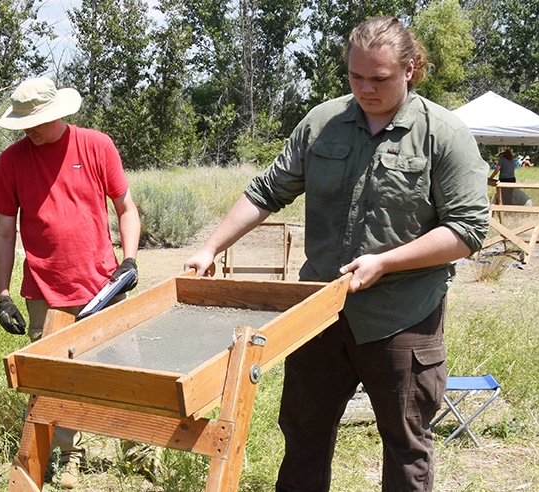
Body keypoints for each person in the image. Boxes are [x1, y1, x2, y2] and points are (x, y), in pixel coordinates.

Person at [183, 16, 489, 492]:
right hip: (320, 312)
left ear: (411, 69)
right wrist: (209, 248)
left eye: (380, 78)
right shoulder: (322, 124)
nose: (366, 88)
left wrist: (386, 262)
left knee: (406, 445)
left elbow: (468, 231)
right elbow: (267, 191)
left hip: (401, 316)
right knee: (303, 434)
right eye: (356, 76)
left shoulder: (443, 134)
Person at [0, 77, 141, 488]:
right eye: (23, 124)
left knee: (131, 369)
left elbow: (126, 207)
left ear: (58, 113)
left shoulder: (95, 145)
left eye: (35, 121)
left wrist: (129, 259)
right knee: (56, 381)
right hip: (45, 290)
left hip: (104, 283)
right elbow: (4, 231)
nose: (29, 130)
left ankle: (142, 456)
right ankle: (69, 457)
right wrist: (1, 293)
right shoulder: (11, 161)